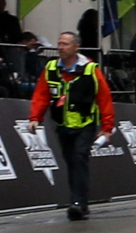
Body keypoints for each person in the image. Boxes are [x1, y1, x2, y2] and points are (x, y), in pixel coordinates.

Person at [30, 29, 115, 220]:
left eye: (65, 44)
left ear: (76, 47)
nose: (60, 47)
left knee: (79, 158)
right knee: (71, 163)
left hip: (85, 124)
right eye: (59, 43)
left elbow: (104, 98)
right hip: (62, 125)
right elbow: (41, 95)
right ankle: (79, 202)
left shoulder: (91, 70)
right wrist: (35, 117)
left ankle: (78, 203)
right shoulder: (51, 68)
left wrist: (107, 127)